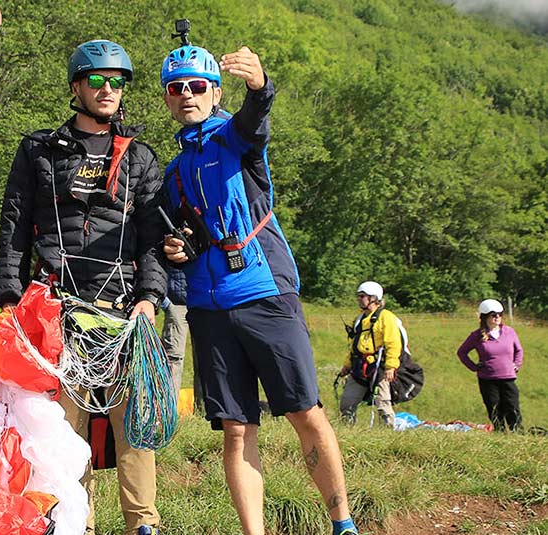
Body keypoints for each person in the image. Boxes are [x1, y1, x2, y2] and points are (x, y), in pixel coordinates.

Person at [159, 39, 359, 535]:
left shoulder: (236, 139)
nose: (187, 94)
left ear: (214, 89)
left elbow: (255, 116)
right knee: (235, 429)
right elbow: (180, 232)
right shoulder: (172, 173)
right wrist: (177, 247)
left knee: (305, 412)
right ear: (166, 97)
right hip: (207, 306)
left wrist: (260, 84)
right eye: (176, 88)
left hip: (264, 291)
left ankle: (343, 523)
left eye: (197, 85)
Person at [0, 39, 165, 535]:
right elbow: (14, 222)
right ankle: (74, 523)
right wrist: (9, 295)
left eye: (117, 81)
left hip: (121, 309)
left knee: (133, 428)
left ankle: (143, 525)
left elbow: (153, 239)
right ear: (77, 87)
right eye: (97, 80)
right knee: (63, 432)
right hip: (56, 308)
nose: (108, 89)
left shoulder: (140, 158)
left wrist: (150, 300)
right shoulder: (39, 151)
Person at [338, 281, 400, 427]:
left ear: (373, 298)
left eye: (362, 296)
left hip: (378, 367)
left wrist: (391, 366)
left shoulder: (386, 317)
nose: (359, 299)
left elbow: (393, 343)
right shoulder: (360, 319)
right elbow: (354, 345)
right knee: (347, 402)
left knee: (382, 404)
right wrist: (347, 365)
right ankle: (347, 431)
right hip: (359, 367)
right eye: (359, 296)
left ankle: (388, 433)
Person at [457, 299, 523, 432]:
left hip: (508, 378)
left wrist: (516, 364)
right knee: (494, 409)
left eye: (499, 314)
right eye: (494, 315)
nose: (497, 317)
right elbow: (462, 352)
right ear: (485, 317)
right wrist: (474, 367)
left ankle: (518, 435)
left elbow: (519, 350)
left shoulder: (509, 331)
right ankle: (500, 434)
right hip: (488, 380)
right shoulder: (476, 336)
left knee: (512, 408)